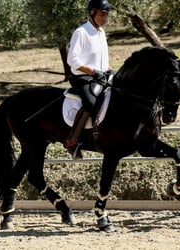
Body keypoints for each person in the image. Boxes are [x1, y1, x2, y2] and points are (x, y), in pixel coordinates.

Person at [65, 0, 112, 160]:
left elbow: (101, 58)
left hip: (100, 76)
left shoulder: (101, 32)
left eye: (106, 15)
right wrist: (93, 72)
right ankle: (72, 142)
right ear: (92, 12)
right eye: (102, 14)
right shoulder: (81, 32)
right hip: (83, 77)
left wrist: (108, 69)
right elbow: (73, 60)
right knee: (90, 103)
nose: (105, 18)